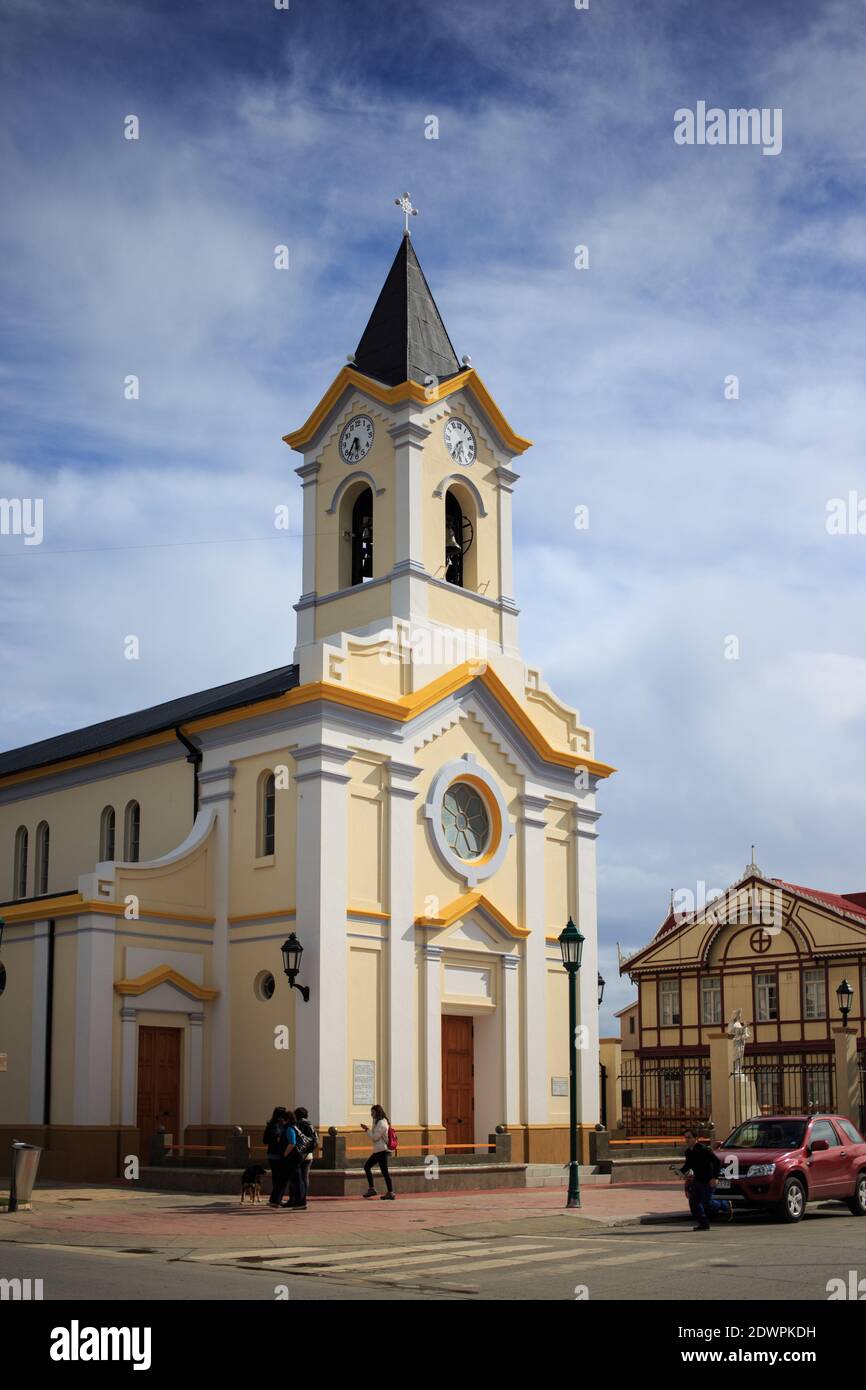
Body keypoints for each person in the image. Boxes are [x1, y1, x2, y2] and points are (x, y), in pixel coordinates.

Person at [679, 1128, 732, 1230]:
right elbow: (688, 1165)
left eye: (689, 1137)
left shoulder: (703, 1149)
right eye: (685, 1138)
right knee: (694, 1203)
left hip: (708, 1180)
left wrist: (714, 1178)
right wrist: (680, 1171)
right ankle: (703, 1224)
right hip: (697, 1180)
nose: (687, 1140)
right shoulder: (688, 1152)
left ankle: (725, 1205)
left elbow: (716, 1162)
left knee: (707, 1203)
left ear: (696, 1138)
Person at [263, 1106, 296, 1209]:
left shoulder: (270, 1125)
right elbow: (269, 1140)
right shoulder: (279, 1126)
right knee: (280, 1179)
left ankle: (275, 1198)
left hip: (272, 1154)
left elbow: (264, 1140)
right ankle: (277, 1199)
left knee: (276, 1177)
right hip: (279, 1155)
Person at [360, 1103, 394, 1200]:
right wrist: (373, 1122)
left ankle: (390, 1192)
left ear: (377, 1112)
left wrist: (366, 1129)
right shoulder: (377, 1122)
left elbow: (374, 1137)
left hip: (382, 1151)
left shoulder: (382, 1123)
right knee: (370, 1167)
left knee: (383, 1171)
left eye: (373, 1112)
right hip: (379, 1150)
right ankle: (373, 1189)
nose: (371, 1114)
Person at [287, 1106, 317, 1211]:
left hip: (299, 1154)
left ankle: (295, 1200)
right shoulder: (310, 1124)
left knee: (295, 1178)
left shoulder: (297, 1124)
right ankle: (303, 1199)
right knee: (304, 1178)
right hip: (309, 1155)